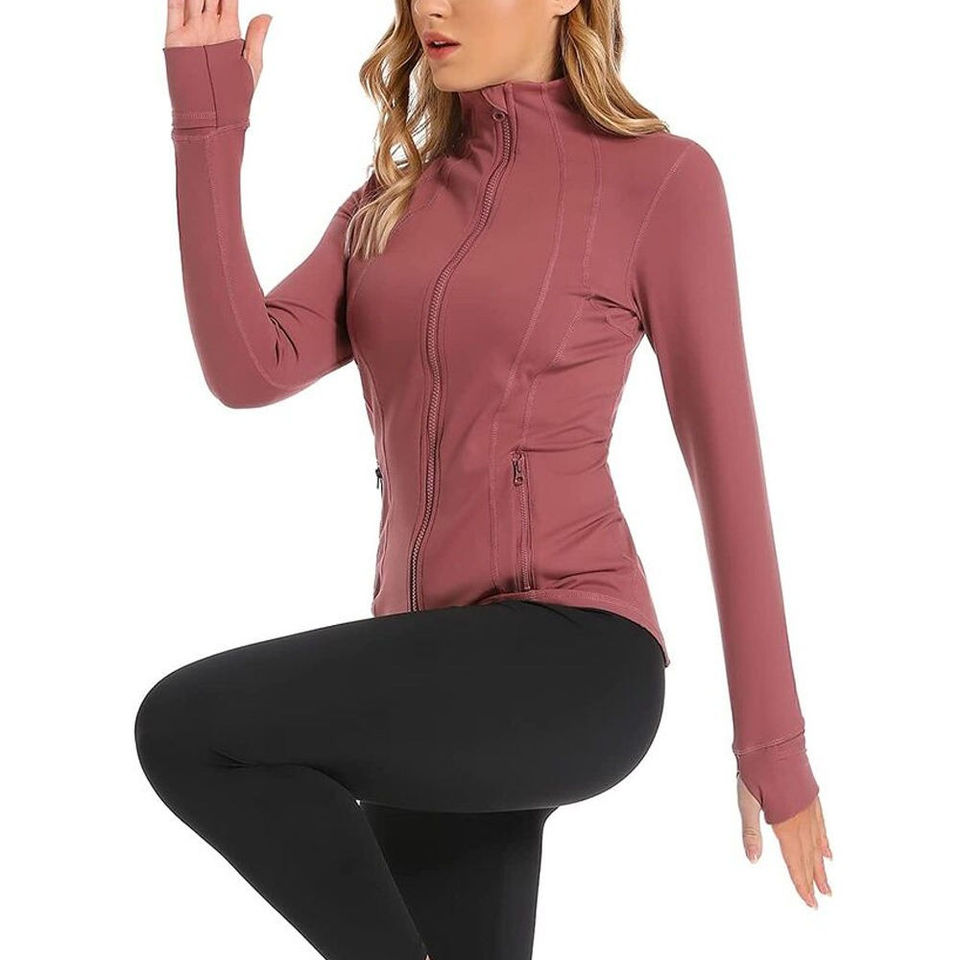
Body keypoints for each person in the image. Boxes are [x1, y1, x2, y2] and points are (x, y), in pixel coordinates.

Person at [135, 2, 832, 959]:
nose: (433, 5)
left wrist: (773, 748)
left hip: (575, 654)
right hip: (433, 663)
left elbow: (728, 463)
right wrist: (209, 123)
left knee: (189, 728)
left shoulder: (660, 181)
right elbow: (248, 366)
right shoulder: (394, 198)